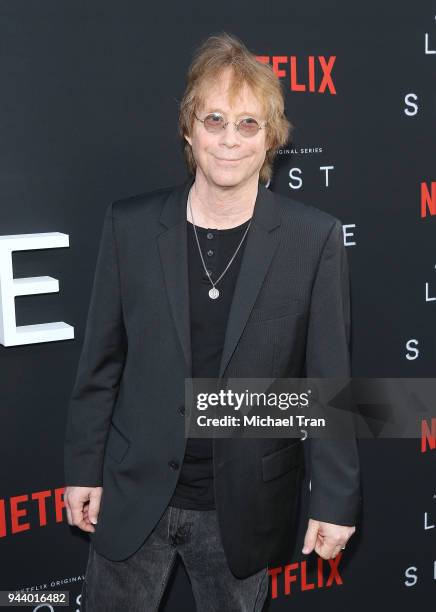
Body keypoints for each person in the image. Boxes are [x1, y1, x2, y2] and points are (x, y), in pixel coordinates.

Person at [63, 31, 361, 611]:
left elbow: (329, 387)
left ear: (271, 136)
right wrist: (82, 469)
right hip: (134, 495)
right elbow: (101, 364)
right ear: (188, 128)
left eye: (248, 124)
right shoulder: (130, 227)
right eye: (215, 120)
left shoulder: (314, 239)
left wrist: (334, 501)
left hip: (244, 509)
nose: (230, 140)